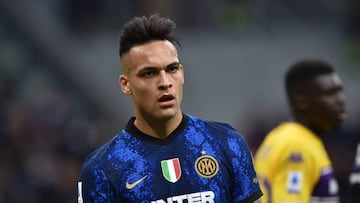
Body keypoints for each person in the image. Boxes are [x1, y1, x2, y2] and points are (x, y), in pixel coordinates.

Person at [77, 13, 262, 203]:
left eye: (172, 69)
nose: (165, 82)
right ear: (126, 84)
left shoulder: (227, 143)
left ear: (181, 73)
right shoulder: (102, 168)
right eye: (149, 73)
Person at [254, 58, 346, 203]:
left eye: (340, 91)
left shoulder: (281, 136)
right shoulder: (297, 146)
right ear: (302, 101)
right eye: (330, 93)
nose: (340, 100)